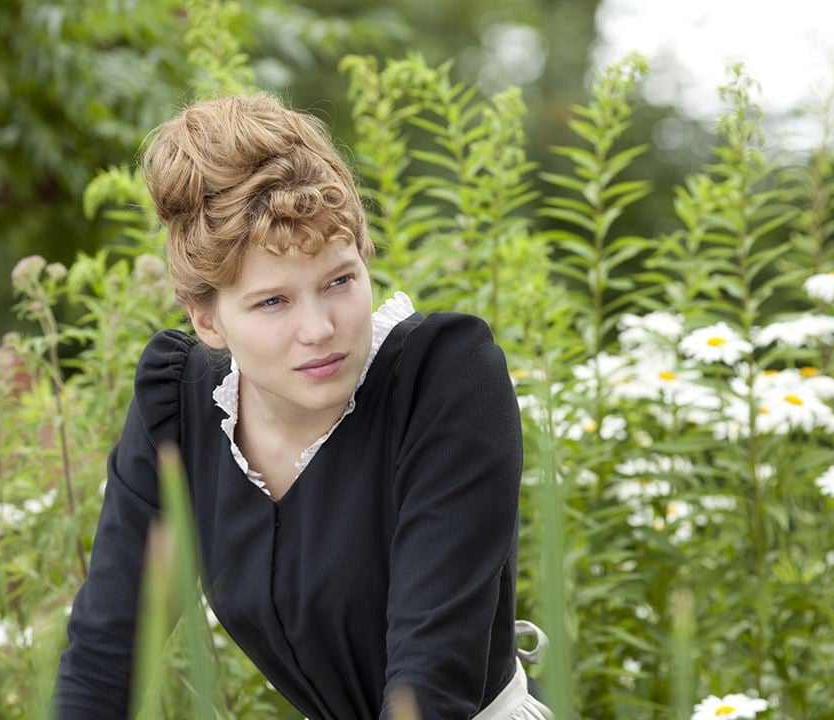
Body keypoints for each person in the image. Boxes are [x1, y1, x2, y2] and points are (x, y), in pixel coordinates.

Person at [52, 92, 552, 720]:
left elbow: (430, 683)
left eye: (339, 281)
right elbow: (106, 658)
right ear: (207, 319)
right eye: (273, 302)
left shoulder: (442, 380)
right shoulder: (179, 411)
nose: (319, 329)